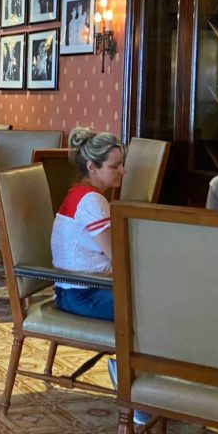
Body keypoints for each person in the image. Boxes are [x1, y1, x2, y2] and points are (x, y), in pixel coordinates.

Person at [50, 127, 125, 321]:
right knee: (154, 307)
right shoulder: (91, 201)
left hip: (78, 289)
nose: (122, 171)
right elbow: (119, 256)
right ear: (92, 167)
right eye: (114, 167)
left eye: (121, 164)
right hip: (82, 293)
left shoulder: (81, 193)